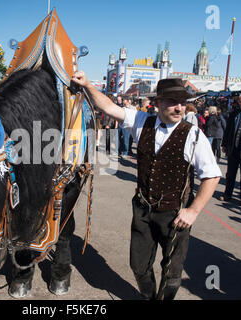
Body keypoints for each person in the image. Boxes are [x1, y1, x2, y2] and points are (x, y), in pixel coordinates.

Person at [72, 71, 221, 300]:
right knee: (138, 265)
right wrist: (88, 84)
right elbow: (109, 107)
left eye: (182, 102)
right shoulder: (142, 121)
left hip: (175, 214)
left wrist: (193, 210)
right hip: (142, 209)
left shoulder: (194, 136)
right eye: (172, 102)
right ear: (158, 102)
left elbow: (211, 176)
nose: (179, 108)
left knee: (172, 272)